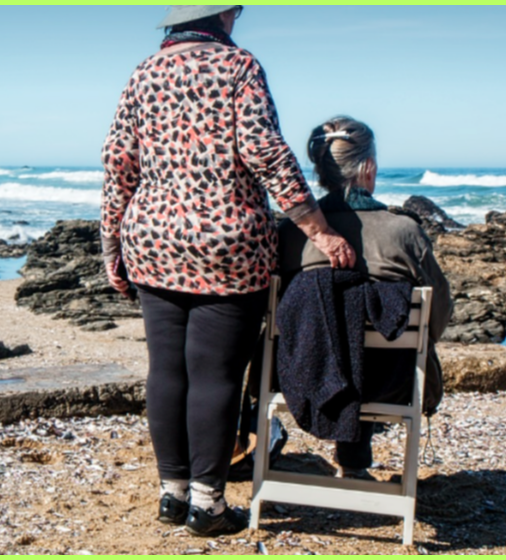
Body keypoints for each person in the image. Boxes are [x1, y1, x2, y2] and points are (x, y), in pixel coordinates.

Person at [100, 6, 357, 536]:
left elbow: (119, 162)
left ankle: (172, 495)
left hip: (152, 238)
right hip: (228, 243)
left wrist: (111, 246)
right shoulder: (239, 66)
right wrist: (318, 229)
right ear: (223, 14)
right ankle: (207, 504)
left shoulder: (144, 72)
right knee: (215, 373)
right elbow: (265, 151)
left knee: (166, 369)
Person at [276, 116, 452, 478]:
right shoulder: (404, 232)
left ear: (320, 170)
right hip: (389, 382)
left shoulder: (290, 234)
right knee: (373, 347)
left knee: (334, 333)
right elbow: (439, 314)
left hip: (298, 376)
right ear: (368, 167)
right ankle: (354, 465)